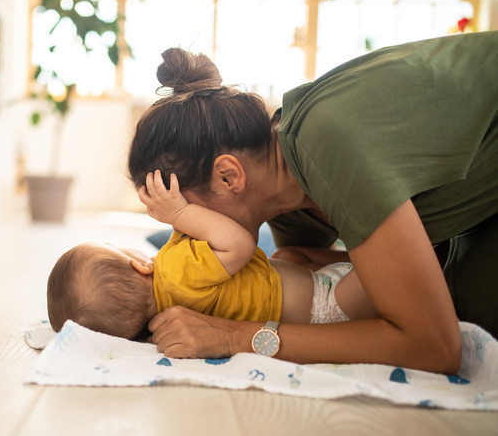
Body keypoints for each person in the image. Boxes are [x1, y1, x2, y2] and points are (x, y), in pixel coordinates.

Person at [126, 31, 497, 374]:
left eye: (183, 215)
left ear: (229, 176)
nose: (185, 232)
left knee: (462, 304)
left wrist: (234, 336)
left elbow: (435, 348)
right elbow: (312, 304)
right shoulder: (284, 201)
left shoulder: (327, 145)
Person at [47, 170, 376, 341]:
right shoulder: (175, 270)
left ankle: (348, 264)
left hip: (299, 296)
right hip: (327, 304)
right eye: (116, 247)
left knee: (287, 254)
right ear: (140, 264)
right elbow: (239, 245)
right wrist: (179, 213)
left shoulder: (162, 320)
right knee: (378, 269)